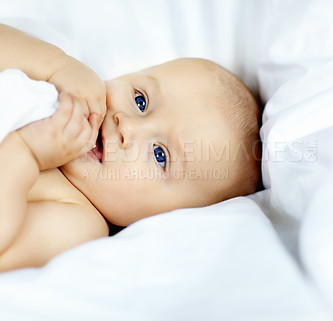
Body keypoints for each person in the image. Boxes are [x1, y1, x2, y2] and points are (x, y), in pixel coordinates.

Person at [0, 24, 260, 271]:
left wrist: (25, 153)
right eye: (140, 100)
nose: (126, 126)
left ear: (164, 218)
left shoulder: (78, 222)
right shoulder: (64, 83)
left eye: (160, 155)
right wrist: (57, 65)